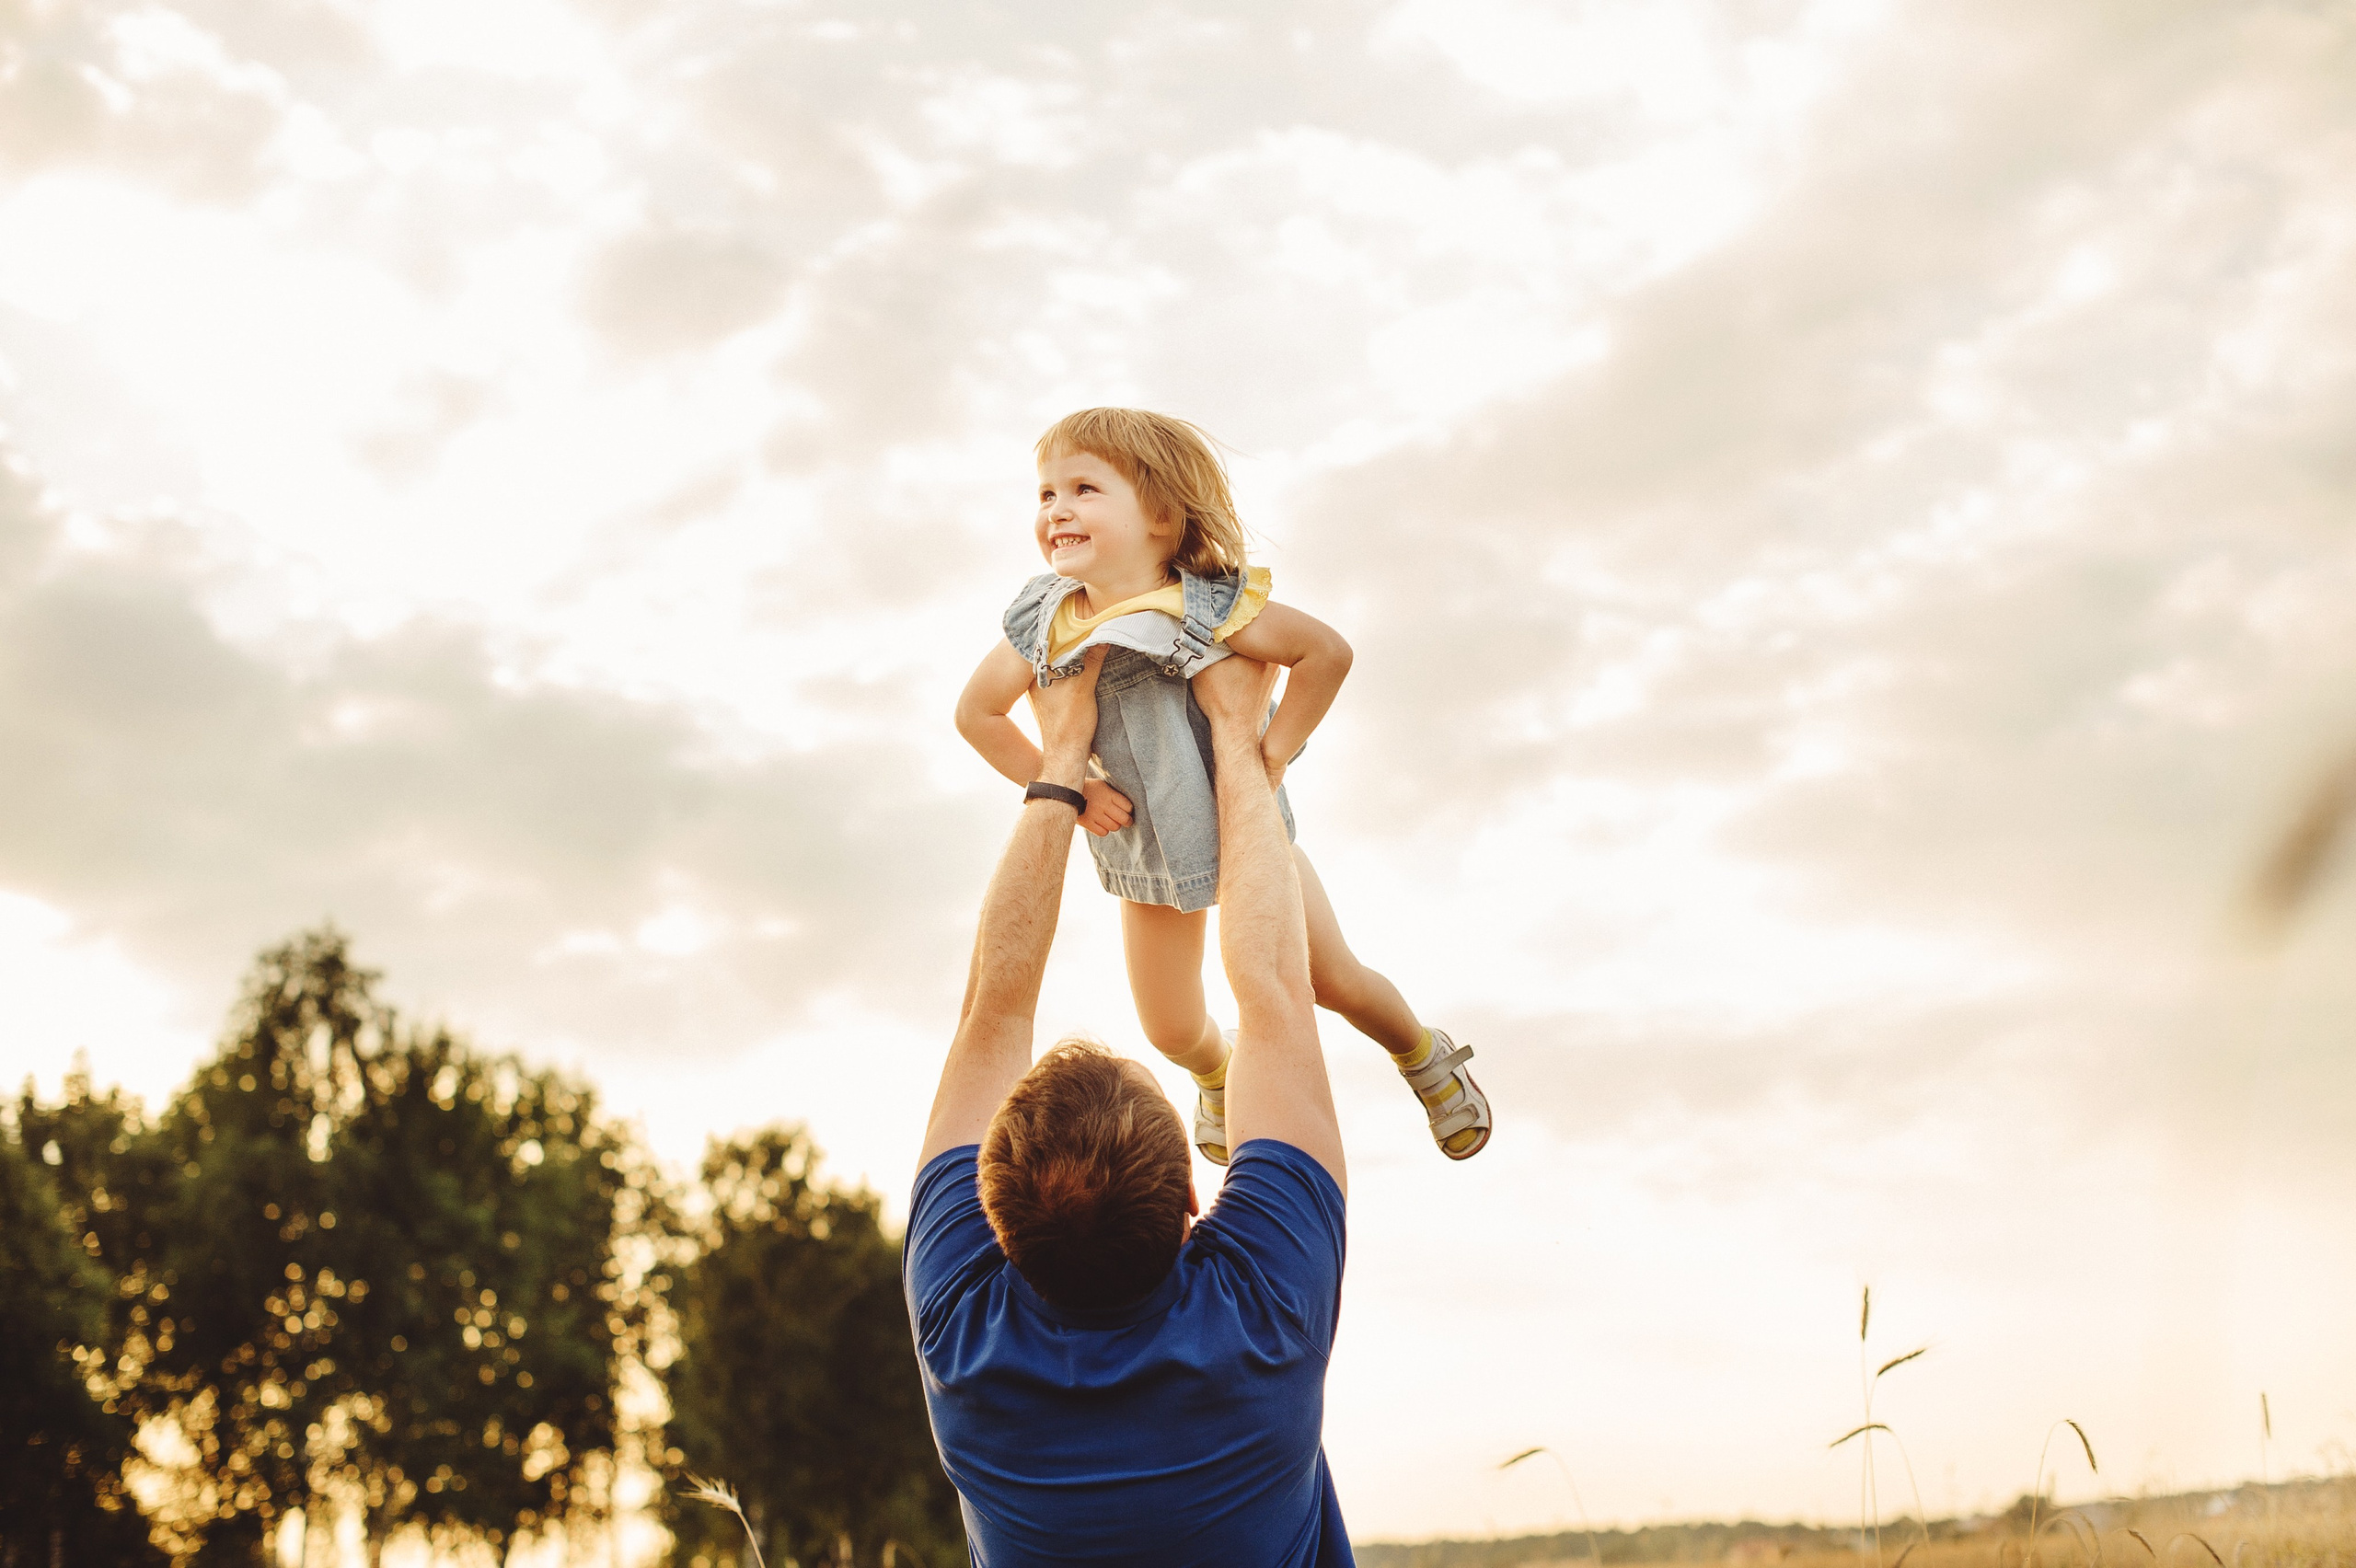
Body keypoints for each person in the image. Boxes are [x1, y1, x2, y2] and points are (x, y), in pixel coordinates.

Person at [908, 649, 1357, 1565]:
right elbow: (1275, 988)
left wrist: (1060, 762)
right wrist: (1236, 741)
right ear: (1193, 1195)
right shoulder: (1263, 1312)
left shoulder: (961, 1335)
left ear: (995, 1218)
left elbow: (992, 1012)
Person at [953, 406, 1491, 1162]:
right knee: (1170, 1027)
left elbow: (1325, 654)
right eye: (1046, 494)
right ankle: (1217, 1073)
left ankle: (1421, 1051)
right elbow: (977, 714)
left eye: (1084, 489)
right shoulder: (1048, 621)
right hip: (1146, 858)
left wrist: (1270, 760)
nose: (1057, 510)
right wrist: (1073, 795)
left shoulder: (1208, 609)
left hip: (1251, 847)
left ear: (1160, 517)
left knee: (1332, 980)